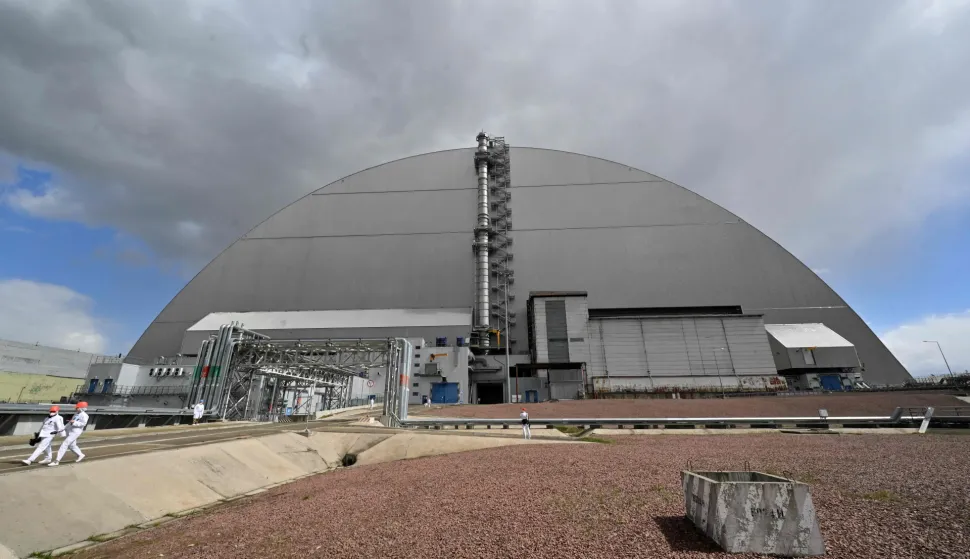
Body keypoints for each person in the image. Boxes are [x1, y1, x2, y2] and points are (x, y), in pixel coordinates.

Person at [50, 401, 88, 466]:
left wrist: (74, 422)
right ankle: (81, 455)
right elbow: (69, 423)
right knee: (72, 445)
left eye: (77, 408)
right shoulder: (76, 414)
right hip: (70, 431)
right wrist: (60, 430)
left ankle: (57, 461)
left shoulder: (85, 415)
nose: (76, 409)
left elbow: (83, 424)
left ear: (82, 408)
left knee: (65, 444)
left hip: (76, 432)